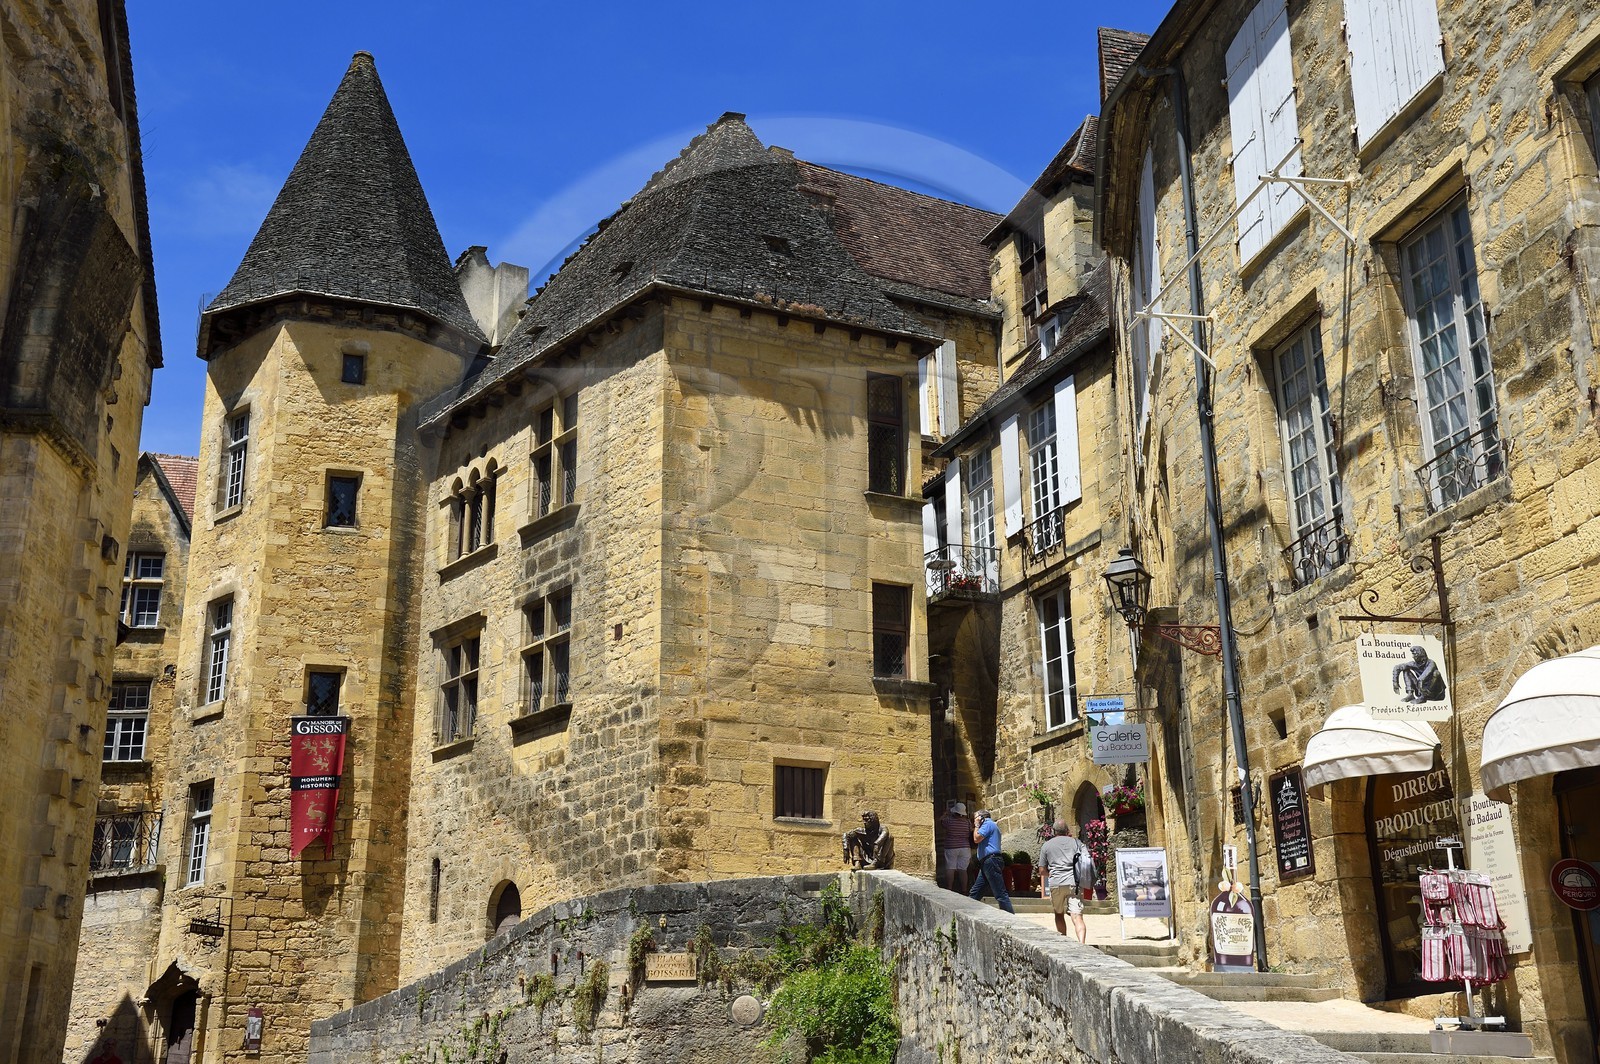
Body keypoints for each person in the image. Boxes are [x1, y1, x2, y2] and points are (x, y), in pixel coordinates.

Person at [1038, 820, 1088, 943]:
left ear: (1053, 832)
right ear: (1067, 831)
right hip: (1073, 882)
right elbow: (1086, 861)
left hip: (1056, 883)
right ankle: (1081, 943)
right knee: (1077, 916)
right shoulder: (1077, 843)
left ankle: (1064, 942)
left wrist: (1053, 873)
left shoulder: (1047, 845)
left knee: (1058, 914)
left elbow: (1042, 871)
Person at [967, 809, 1013, 913]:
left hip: (991, 861)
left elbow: (976, 839)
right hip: (987, 862)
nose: (973, 821)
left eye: (975, 818)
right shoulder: (991, 825)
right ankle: (967, 912)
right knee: (976, 891)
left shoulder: (987, 824)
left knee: (1000, 893)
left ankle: (1010, 917)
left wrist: (977, 826)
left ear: (981, 818)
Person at [937, 800, 972, 894]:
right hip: (965, 847)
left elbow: (940, 821)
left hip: (951, 846)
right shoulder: (967, 822)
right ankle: (964, 889)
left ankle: (949, 888)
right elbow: (970, 832)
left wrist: (945, 813)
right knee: (963, 869)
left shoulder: (949, 821)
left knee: (950, 867)